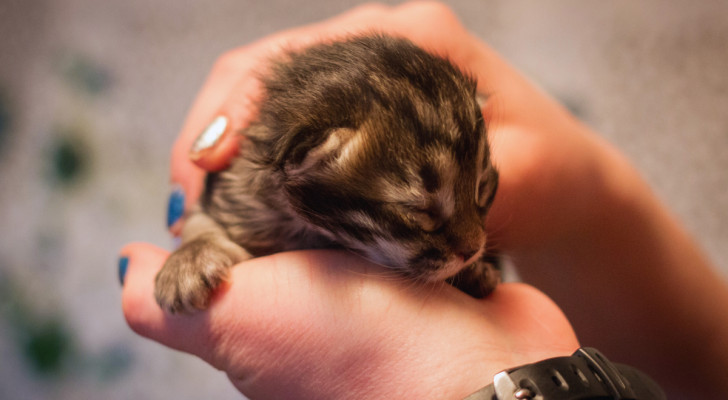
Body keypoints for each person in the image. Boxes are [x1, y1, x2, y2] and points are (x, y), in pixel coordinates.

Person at [118, 2, 728, 399]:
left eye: (481, 194)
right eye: (420, 213)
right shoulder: (281, 181)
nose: (470, 243)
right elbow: (213, 229)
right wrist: (201, 247)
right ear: (307, 169)